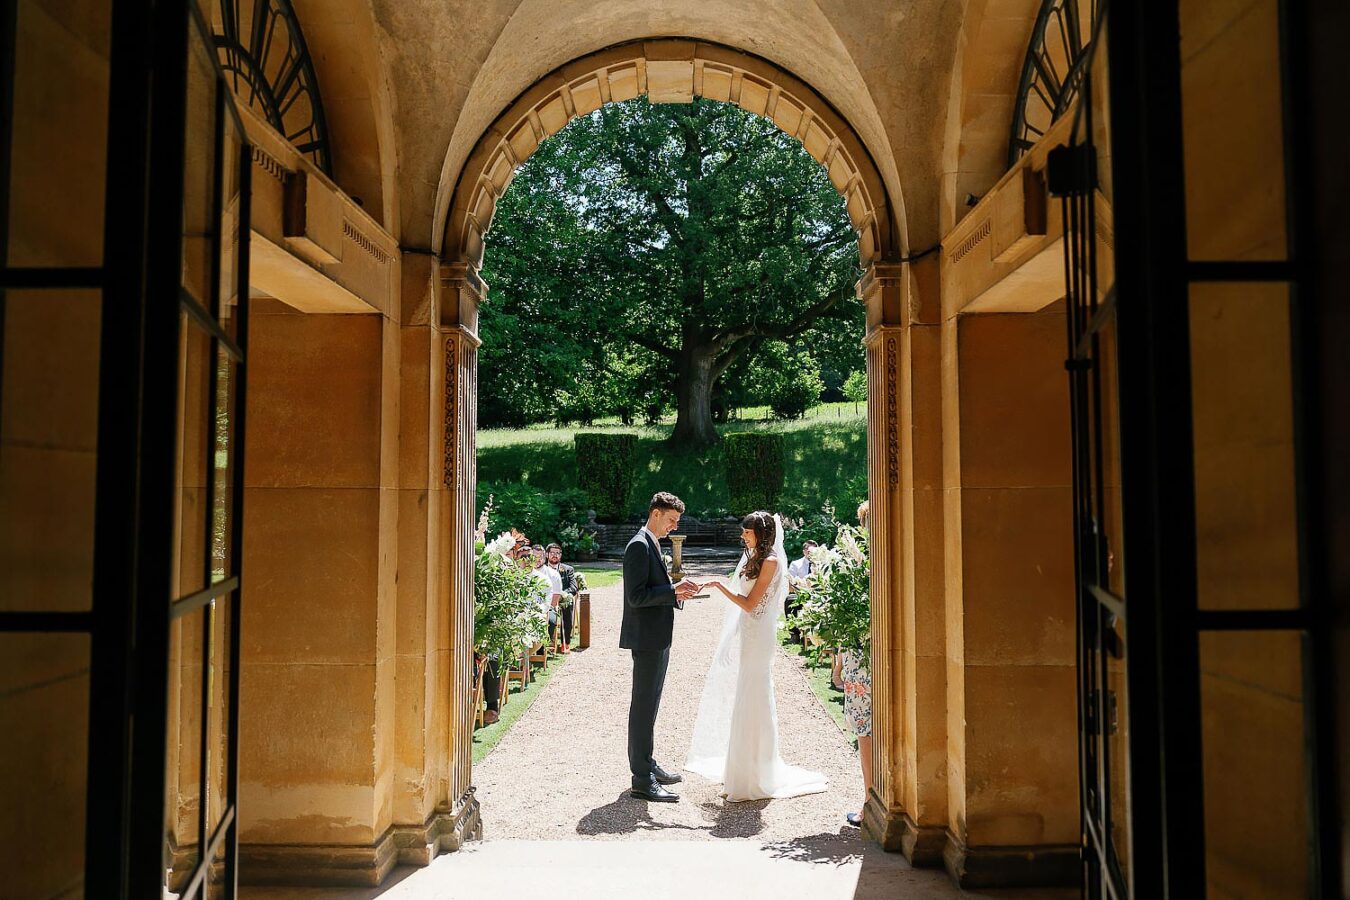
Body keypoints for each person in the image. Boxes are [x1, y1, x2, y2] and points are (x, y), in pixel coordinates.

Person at [685, 511, 828, 801]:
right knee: (746, 694)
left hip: (759, 637)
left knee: (754, 695)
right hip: (750, 634)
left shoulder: (772, 562)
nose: (743, 536)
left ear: (760, 535)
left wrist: (718, 585)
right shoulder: (755, 558)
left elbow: (750, 604)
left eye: (747, 533)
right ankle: (742, 767)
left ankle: (755, 772)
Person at [621, 491, 700, 802]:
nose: (673, 526)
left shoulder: (651, 543)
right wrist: (672, 590)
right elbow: (636, 597)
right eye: (671, 520)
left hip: (657, 636)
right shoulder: (639, 546)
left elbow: (655, 590)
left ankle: (648, 765)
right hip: (646, 638)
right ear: (655, 514)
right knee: (642, 708)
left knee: (650, 706)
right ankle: (641, 778)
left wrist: (677, 594)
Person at [844, 496, 873, 828]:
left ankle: (869, 800)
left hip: (863, 658)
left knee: (865, 731)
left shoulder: (857, 568)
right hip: (864, 656)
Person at [546, 543, 577, 652]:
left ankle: (565, 642)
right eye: (552, 553)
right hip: (545, 599)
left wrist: (562, 594)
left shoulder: (568, 569)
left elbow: (573, 587)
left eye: (558, 553)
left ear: (561, 555)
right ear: (547, 554)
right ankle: (544, 644)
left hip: (562, 599)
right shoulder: (542, 568)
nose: (555, 555)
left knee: (568, 605)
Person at [785, 540, 817, 643]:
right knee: (789, 600)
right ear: (804, 551)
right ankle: (794, 633)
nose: (811, 553)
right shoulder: (796, 564)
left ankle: (814, 634)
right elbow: (791, 584)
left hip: (817, 594)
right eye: (809, 551)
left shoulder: (821, 564)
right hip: (800, 593)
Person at [531, 544, 562, 648]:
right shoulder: (524, 572)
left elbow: (555, 599)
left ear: (545, 557)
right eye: (535, 557)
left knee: (551, 621)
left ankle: (541, 647)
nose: (538, 560)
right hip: (527, 608)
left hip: (547, 607)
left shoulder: (553, 574)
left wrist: (543, 609)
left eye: (540, 557)